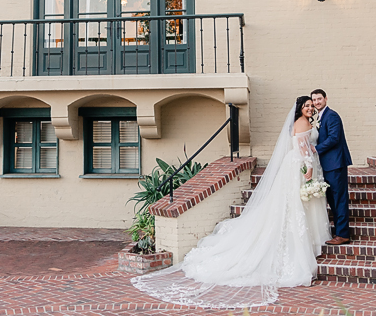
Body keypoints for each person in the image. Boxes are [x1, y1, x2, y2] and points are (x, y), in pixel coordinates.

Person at [131, 96, 331, 308]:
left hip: (299, 164)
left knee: (298, 204)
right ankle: (297, 246)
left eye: (311, 105)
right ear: (299, 108)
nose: (310, 108)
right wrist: (309, 167)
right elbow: (302, 147)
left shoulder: (305, 122)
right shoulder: (302, 123)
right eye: (306, 105)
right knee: (295, 204)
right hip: (300, 166)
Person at [311, 89, 353, 245]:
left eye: (319, 99)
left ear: (325, 99)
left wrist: (316, 149)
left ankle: (343, 234)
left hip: (335, 164)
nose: (317, 102)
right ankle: (338, 231)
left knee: (339, 199)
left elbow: (334, 138)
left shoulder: (332, 116)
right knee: (332, 199)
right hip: (327, 164)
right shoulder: (320, 117)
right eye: (314, 100)